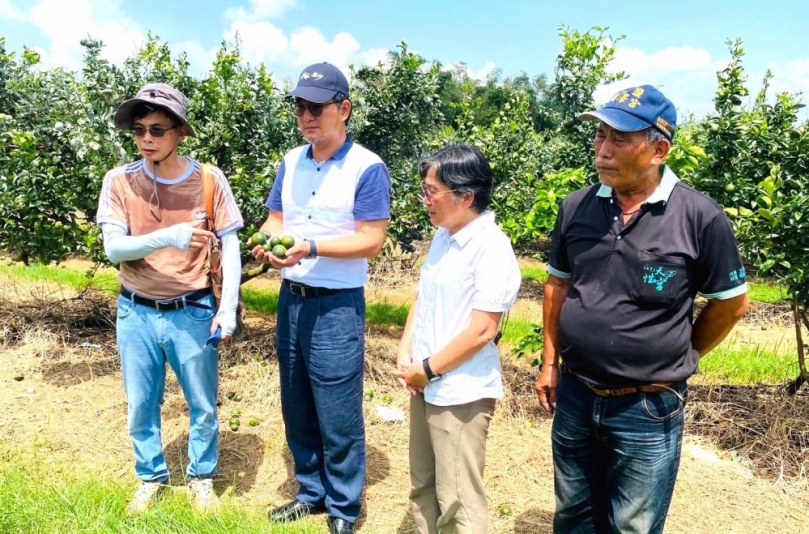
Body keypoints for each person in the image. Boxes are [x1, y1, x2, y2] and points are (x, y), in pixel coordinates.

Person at [535, 85, 749, 534]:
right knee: (573, 513)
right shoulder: (576, 207)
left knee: (632, 524)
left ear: (659, 150)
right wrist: (549, 363)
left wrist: (674, 355)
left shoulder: (699, 217)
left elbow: (730, 306)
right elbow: (558, 284)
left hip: (648, 407)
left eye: (619, 140)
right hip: (576, 394)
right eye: (599, 136)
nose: (602, 150)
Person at [250, 62, 391, 534]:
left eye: (317, 106)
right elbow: (275, 219)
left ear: (344, 109)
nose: (306, 116)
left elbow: (371, 239)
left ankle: (344, 508)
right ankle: (310, 492)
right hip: (293, 298)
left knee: (337, 409)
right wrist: (268, 245)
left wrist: (310, 246)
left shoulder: (367, 167)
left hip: (336, 305)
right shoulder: (290, 161)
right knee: (297, 400)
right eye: (300, 107)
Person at [97, 83, 244, 514]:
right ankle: (150, 477)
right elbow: (114, 249)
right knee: (141, 402)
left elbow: (230, 246)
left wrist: (228, 307)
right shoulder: (119, 181)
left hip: (192, 309)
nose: (146, 138)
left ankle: (201, 477)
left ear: (179, 131)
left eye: (157, 129)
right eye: (139, 129)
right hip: (136, 309)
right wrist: (170, 236)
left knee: (201, 403)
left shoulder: (208, 180)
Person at [394, 145, 521, 534]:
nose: (425, 200)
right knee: (424, 486)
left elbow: (483, 329)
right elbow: (424, 296)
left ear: (466, 196)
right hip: (425, 382)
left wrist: (428, 369)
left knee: (459, 500)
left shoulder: (491, 247)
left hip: (460, 391)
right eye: (425, 190)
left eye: (432, 191)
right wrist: (406, 350)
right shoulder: (444, 236)